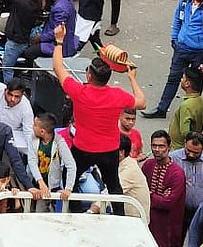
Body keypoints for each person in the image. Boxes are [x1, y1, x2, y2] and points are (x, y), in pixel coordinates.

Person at [51, 22, 146, 213]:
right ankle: (119, 216)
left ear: (88, 75)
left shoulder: (79, 92)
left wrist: (59, 41)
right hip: (110, 150)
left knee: (69, 178)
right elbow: (142, 102)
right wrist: (132, 78)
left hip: (83, 148)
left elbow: (58, 67)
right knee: (114, 185)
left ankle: (75, 212)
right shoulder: (118, 95)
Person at [143, 0, 203, 119]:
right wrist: (174, 38)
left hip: (200, 52)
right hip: (182, 48)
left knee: (195, 84)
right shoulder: (185, 1)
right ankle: (161, 109)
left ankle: (192, 113)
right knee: (173, 78)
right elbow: (177, 19)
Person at [142, 131, 186, 247]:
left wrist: (148, 194)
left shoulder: (177, 173)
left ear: (169, 147)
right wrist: (157, 196)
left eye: (161, 146)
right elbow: (140, 191)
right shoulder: (148, 165)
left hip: (168, 224)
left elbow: (168, 202)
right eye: (154, 146)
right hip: (148, 219)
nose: (157, 150)